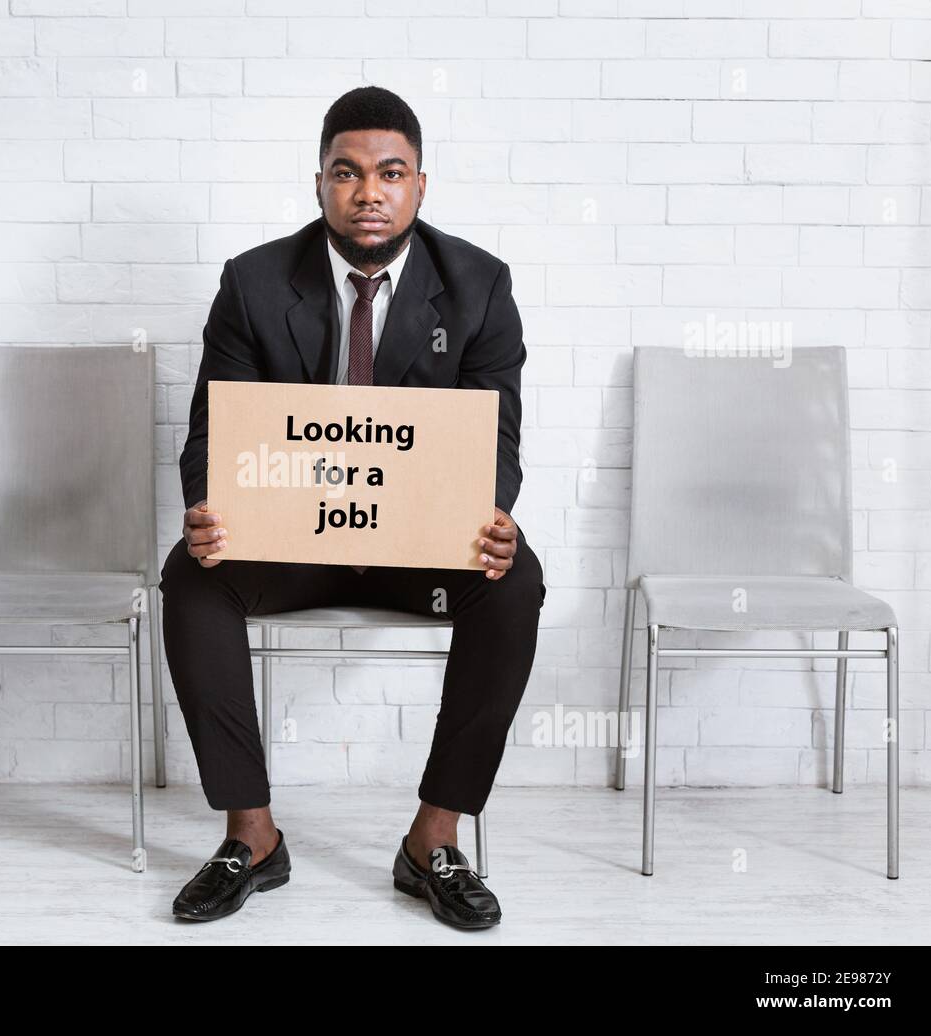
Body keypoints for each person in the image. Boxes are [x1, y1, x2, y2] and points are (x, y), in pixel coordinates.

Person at [160, 86, 545, 930]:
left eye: (390, 172)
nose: (368, 190)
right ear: (320, 184)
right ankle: (252, 836)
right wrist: (207, 506)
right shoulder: (255, 283)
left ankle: (434, 840)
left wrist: (491, 514)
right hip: (293, 539)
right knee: (192, 578)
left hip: (420, 550)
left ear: (419, 186)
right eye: (347, 172)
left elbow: (497, 441)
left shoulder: (478, 286)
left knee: (514, 584)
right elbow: (211, 432)